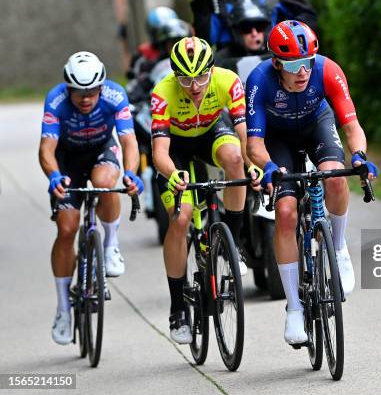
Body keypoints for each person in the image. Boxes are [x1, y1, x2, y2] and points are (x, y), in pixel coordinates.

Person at [245, 21, 379, 344]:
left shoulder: (328, 70)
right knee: (287, 212)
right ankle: (293, 308)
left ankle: (338, 246)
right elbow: (253, 145)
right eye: (293, 65)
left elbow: (351, 126)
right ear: (277, 63)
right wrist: (269, 167)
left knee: (334, 177)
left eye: (306, 62)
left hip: (316, 125)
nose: (302, 71)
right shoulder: (259, 81)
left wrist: (359, 155)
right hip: (277, 140)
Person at [150, 36, 260, 344]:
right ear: (175, 75)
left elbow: (243, 132)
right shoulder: (162, 93)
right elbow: (159, 152)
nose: (195, 85)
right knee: (181, 219)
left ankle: (234, 243)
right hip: (176, 148)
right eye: (185, 78)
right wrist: (173, 174)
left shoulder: (228, 80)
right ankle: (176, 308)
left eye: (201, 76)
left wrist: (253, 166)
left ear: (212, 69)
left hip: (213, 131)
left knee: (235, 159)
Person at [39, 51, 143, 345]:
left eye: (92, 91)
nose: (86, 98)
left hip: (100, 151)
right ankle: (63, 308)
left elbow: (128, 141)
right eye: (79, 92)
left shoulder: (115, 95)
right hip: (67, 159)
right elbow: (46, 148)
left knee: (105, 183)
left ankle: (110, 246)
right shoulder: (56, 100)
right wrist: (54, 176)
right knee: (67, 229)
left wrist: (132, 173)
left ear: (102, 86)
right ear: (68, 88)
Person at [187, 0, 317, 50]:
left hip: (275, 55)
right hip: (229, 61)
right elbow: (205, 39)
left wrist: (286, 37)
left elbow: (307, 16)